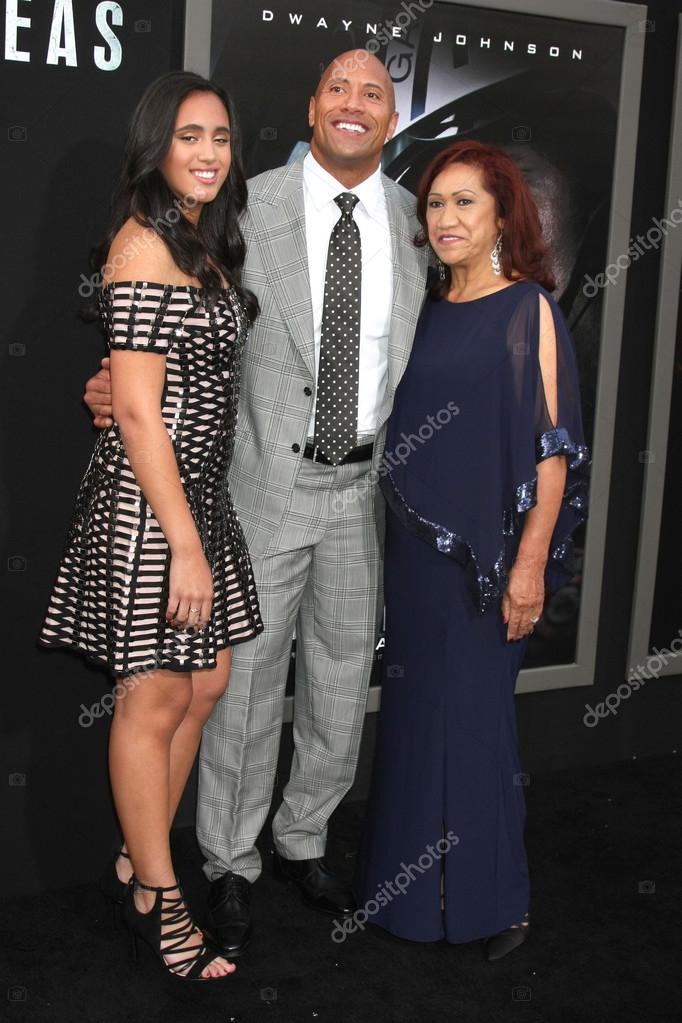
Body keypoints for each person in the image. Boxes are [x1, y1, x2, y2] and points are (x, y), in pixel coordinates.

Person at [82, 49, 429, 956]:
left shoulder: (411, 219)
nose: (356, 105)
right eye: (340, 88)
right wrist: (116, 388)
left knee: (341, 678)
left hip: (358, 485)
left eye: (376, 95)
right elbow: (157, 331)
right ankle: (226, 861)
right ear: (312, 105)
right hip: (255, 487)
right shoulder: (246, 203)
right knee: (230, 692)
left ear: (391, 120)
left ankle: (303, 838)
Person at [40, 71, 263, 980]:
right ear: (155, 148)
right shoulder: (141, 245)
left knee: (203, 685)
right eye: (189, 137)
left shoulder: (202, 242)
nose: (208, 153)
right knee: (154, 698)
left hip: (198, 494)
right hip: (150, 503)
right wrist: (181, 541)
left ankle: (140, 860)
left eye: (219, 136)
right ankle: (160, 901)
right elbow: (135, 412)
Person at [353, 141, 589, 960]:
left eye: (465, 203)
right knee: (418, 722)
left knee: (479, 727)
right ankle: (415, 895)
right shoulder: (424, 305)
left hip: (490, 569)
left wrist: (530, 565)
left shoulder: (529, 310)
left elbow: (552, 454)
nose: (445, 219)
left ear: (501, 215)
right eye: (436, 203)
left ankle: (496, 900)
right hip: (416, 559)